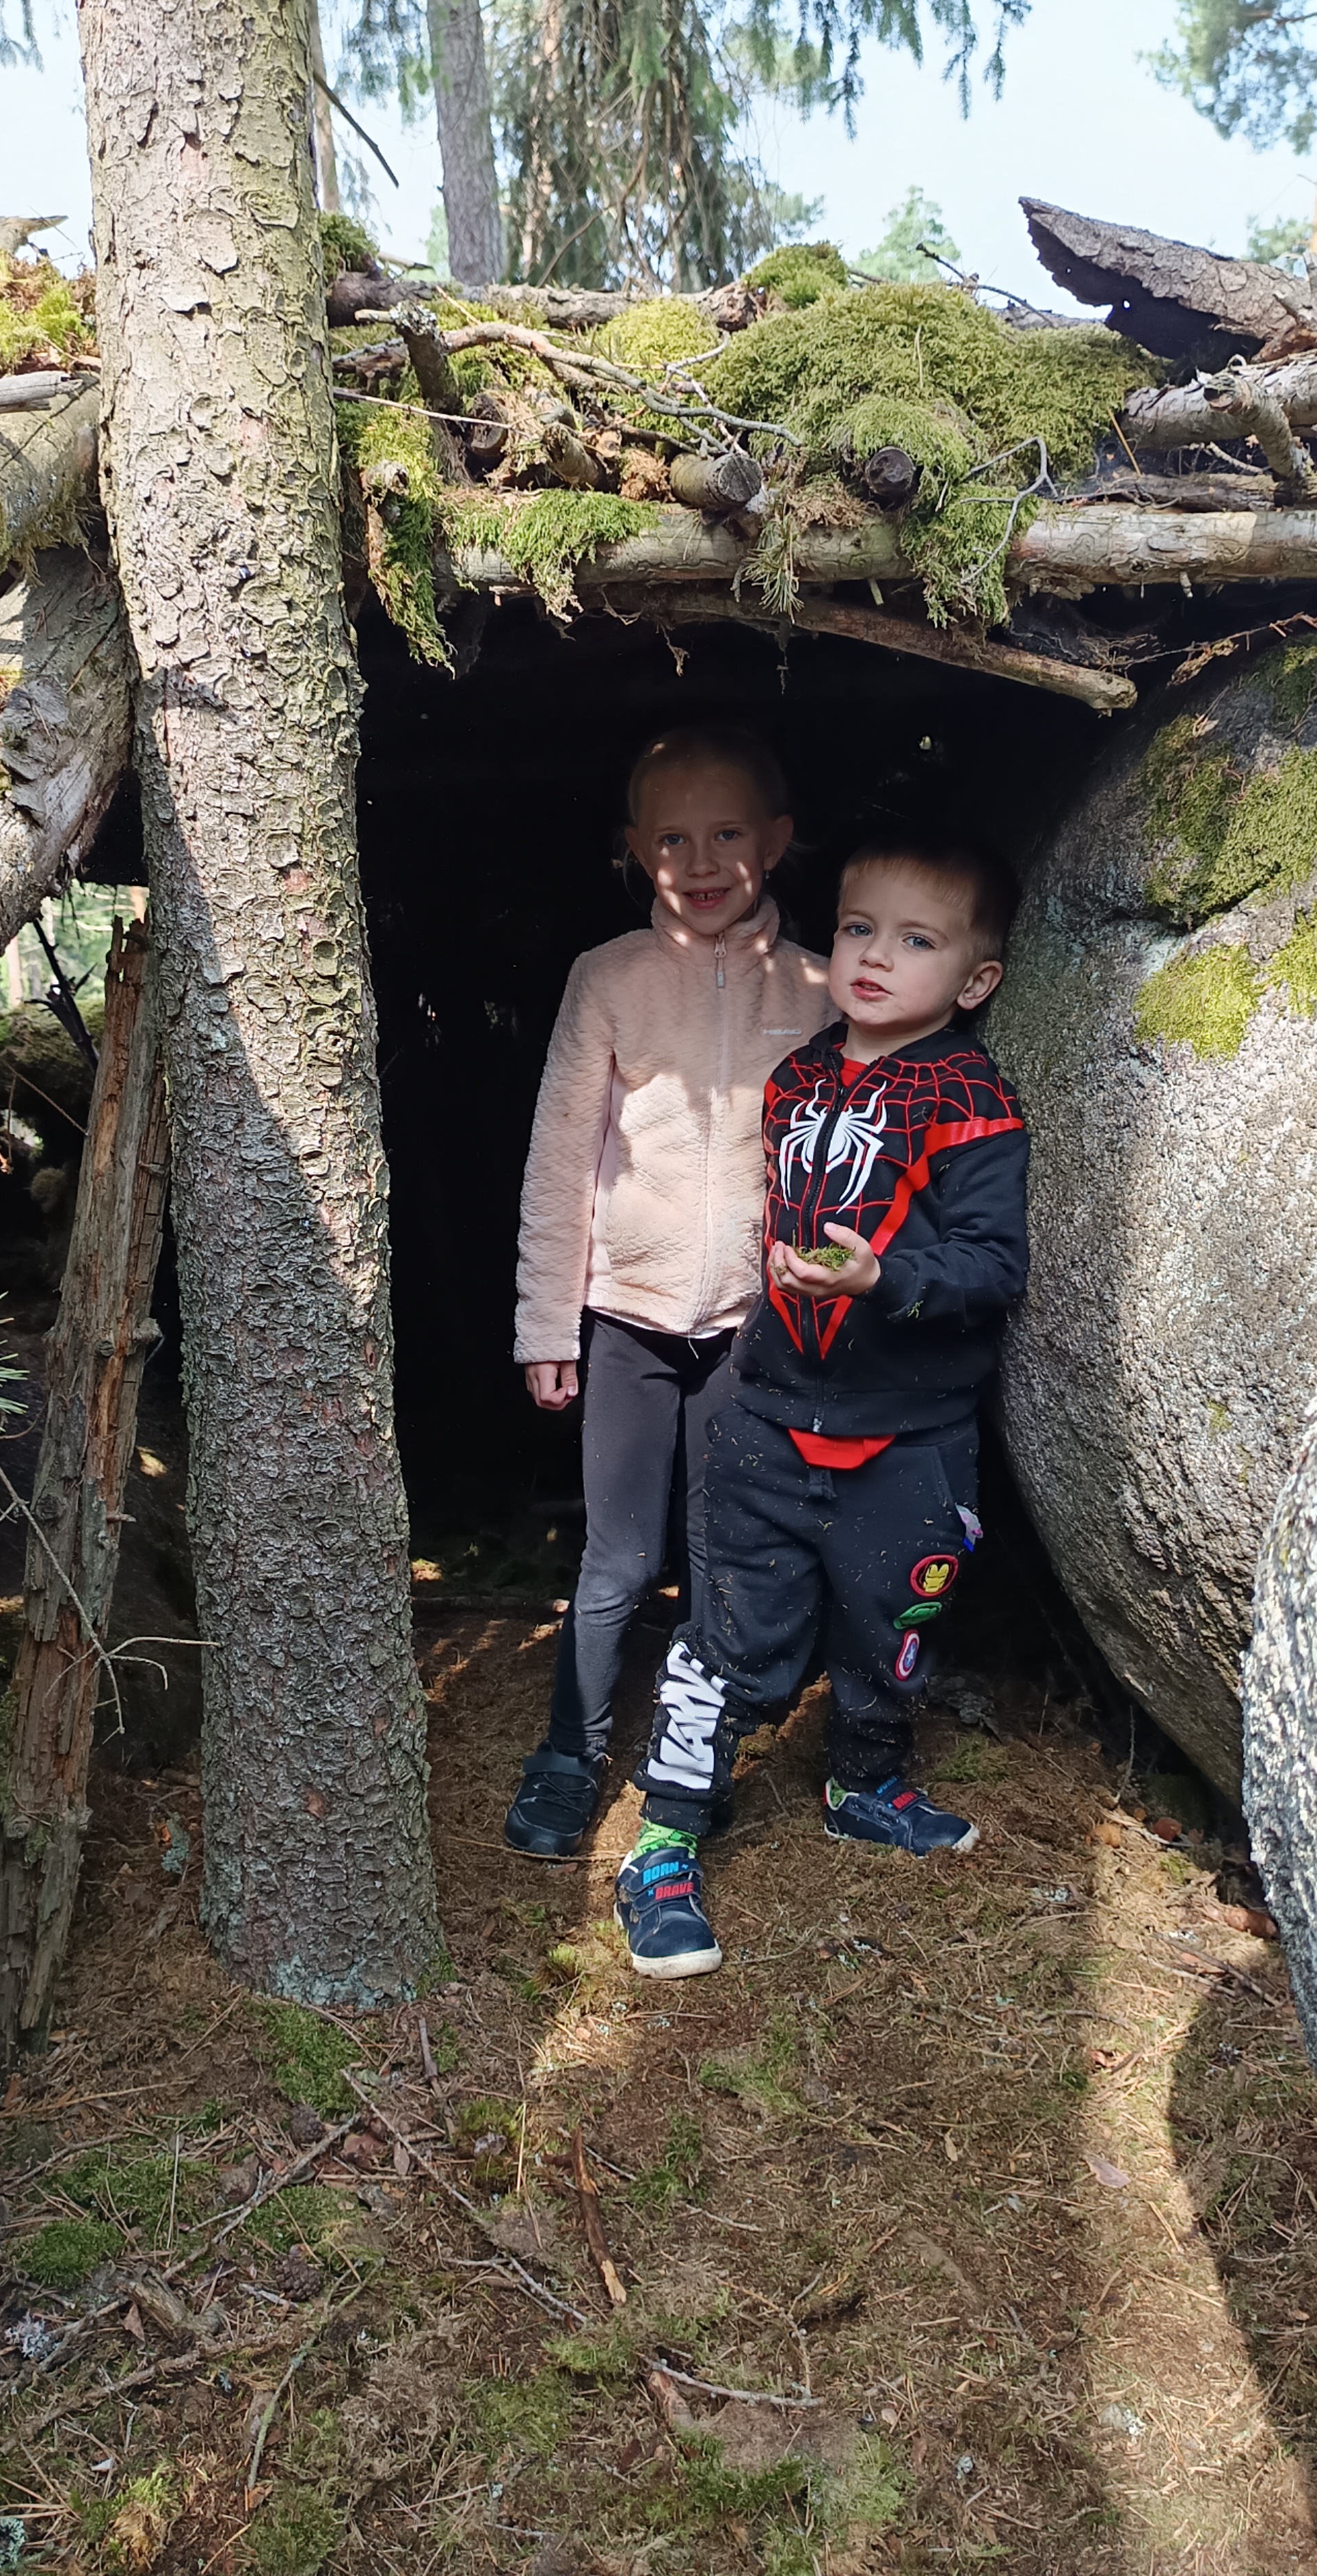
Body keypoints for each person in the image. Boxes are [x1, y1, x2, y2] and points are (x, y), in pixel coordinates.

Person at [615, 833, 1029, 1976]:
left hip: (909, 1438)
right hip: (772, 1417)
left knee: (891, 1625)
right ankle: (663, 1847)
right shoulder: (799, 1075)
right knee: (730, 1636)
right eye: (858, 929)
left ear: (976, 980)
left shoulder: (976, 1100)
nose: (876, 957)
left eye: (917, 941)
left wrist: (885, 1279)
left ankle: (866, 1784)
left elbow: (995, 1265)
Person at [503, 726, 832, 1858]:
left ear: (777, 841)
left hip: (753, 1324)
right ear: (635, 849)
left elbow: (846, 1158)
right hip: (628, 1321)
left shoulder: (820, 988)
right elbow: (560, 1159)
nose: (701, 862)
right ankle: (569, 1755)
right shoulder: (610, 978)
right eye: (673, 839)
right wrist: (547, 1322)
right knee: (620, 1559)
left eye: (728, 833)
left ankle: (693, 1759)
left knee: (720, 1552)